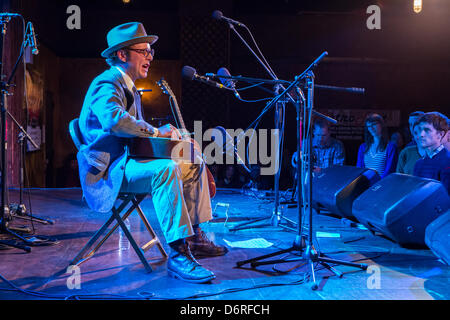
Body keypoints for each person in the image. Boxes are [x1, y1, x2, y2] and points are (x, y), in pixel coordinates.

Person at [76, 22, 227, 284]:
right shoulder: (107, 83)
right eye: (144, 51)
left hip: (126, 162)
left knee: (192, 160)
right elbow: (113, 121)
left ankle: (193, 236)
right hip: (109, 172)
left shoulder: (130, 86)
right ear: (122, 54)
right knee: (165, 171)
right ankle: (179, 255)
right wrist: (158, 133)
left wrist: (174, 142)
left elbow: (134, 137)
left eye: (151, 52)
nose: (149, 57)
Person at [413, 112, 450, 194]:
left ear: (440, 134)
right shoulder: (419, 164)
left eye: (427, 130)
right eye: (420, 130)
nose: (421, 134)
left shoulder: (447, 162)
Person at [357, 113, 398, 178]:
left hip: (383, 185)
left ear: (381, 125)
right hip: (365, 185)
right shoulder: (363, 147)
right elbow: (359, 170)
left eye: (374, 125)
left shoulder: (391, 147)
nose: (371, 128)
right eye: (369, 126)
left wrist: (377, 185)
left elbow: (389, 171)